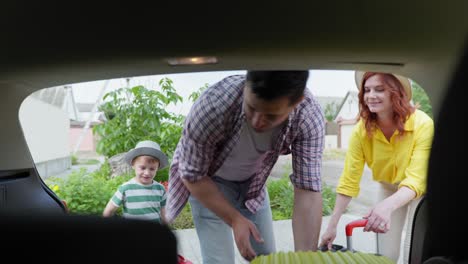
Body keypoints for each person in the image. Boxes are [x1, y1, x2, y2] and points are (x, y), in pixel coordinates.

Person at [166, 70, 325, 263]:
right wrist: (234, 219)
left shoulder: (308, 116)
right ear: (246, 85)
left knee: (267, 258)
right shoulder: (213, 105)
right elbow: (192, 174)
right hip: (207, 183)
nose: (257, 121)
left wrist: (306, 259)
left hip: (254, 186)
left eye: (271, 115)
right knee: (218, 261)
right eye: (251, 108)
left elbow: (307, 191)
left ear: (296, 102)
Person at [319, 71, 434, 263]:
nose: (371, 95)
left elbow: (416, 179)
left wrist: (386, 206)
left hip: (420, 191)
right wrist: (332, 226)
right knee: (386, 255)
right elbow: (349, 180)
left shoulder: (423, 124)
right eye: (367, 90)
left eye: (379, 90)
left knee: (412, 251)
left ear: (396, 93)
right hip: (388, 186)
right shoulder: (361, 131)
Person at [103, 140, 169, 224]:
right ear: (133, 164)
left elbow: (163, 212)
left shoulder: (160, 189)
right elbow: (110, 209)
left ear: (157, 168)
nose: (147, 173)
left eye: (152, 169)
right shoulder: (126, 188)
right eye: (142, 168)